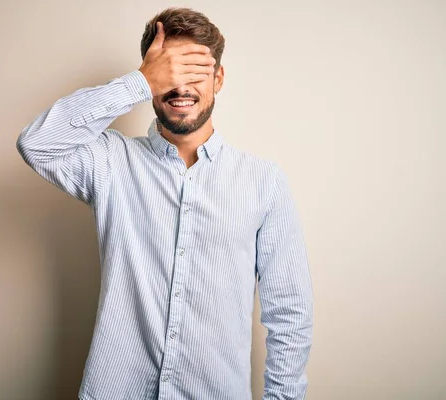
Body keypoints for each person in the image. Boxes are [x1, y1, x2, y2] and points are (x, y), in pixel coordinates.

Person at [16, 7, 313, 400]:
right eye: (168, 73)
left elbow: (290, 314)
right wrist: (138, 82)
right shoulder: (110, 162)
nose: (180, 87)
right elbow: (36, 143)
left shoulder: (264, 182)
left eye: (193, 72)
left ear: (218, 79)